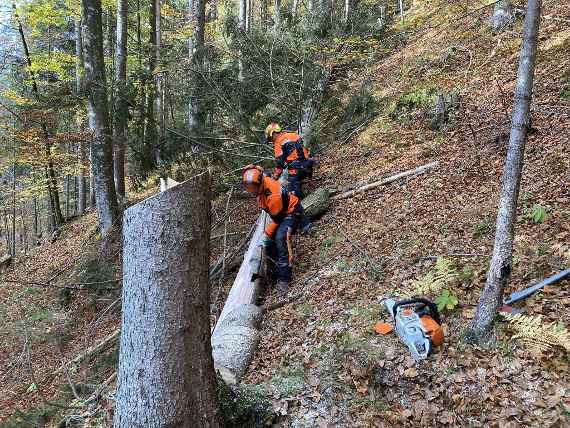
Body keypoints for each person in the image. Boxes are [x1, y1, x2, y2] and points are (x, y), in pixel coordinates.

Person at [242, 164, 310, 295]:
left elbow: (278, 219)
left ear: (260, 183)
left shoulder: (273, 196)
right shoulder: (262, 183)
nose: (251, 191)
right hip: (280, 213)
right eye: (248, 188)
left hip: (291, 211)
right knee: (271, 243)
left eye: (253, 188)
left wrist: (266, 234)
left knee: (281, 238)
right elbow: (256, 168)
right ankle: (274, 270)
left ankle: (284, 278)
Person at [264, 123, 315, 199]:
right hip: (309, 165)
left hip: (297, 169)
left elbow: (280, 164)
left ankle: (299, 205)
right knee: (296, 176)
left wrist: (274, 178)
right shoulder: (293, 135)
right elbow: (304, 150)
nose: (272, 141)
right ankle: (308, 184)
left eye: (270, 138)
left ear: (273, 133)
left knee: (291, 191)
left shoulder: (279, 142)